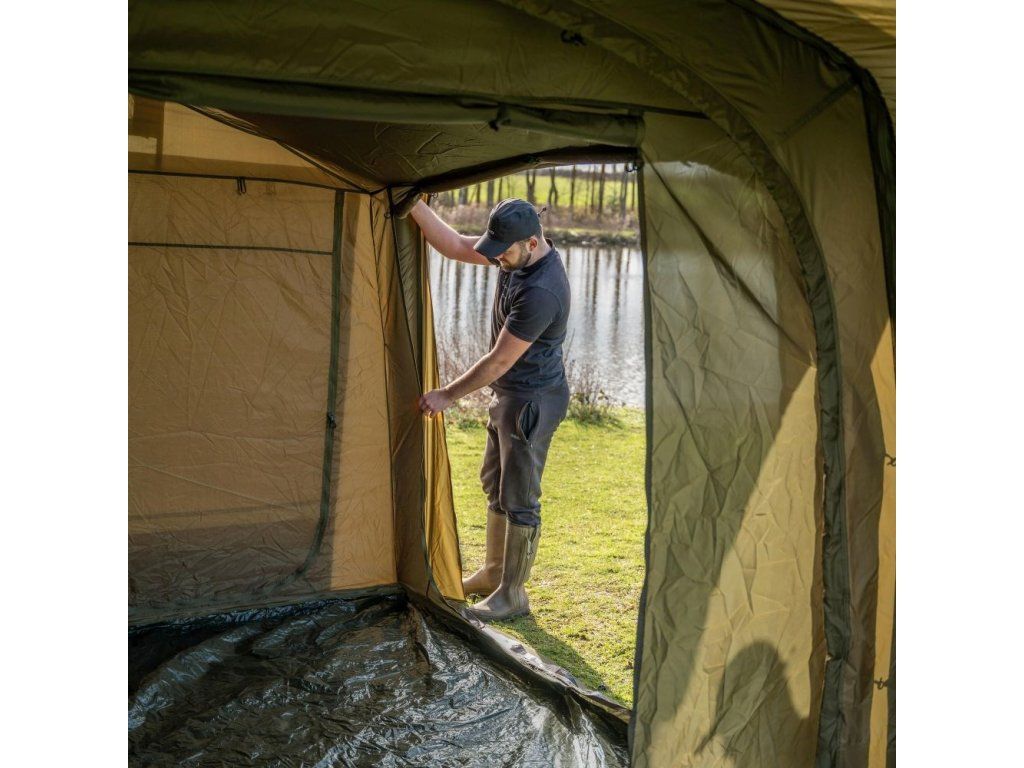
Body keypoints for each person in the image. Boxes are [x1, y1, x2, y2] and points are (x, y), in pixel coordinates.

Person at [408, 196, 571, 622]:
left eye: (504, 254)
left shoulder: (542, 291)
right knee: (495, 484)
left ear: (532, 243)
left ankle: (512, 595)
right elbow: (456, 245)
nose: (497, 260)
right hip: (509, 395)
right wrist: (412, 203)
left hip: (532, 399)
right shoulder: (513, 253)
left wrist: (447, 394)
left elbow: (499, 361)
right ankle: (493, 574)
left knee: (519, 496)